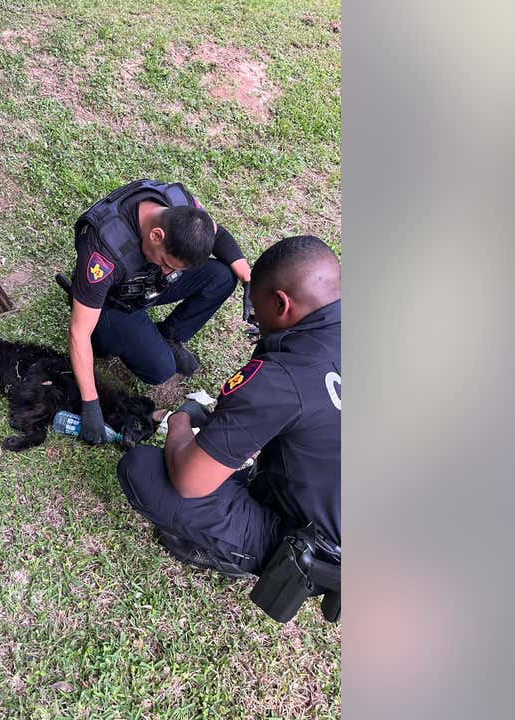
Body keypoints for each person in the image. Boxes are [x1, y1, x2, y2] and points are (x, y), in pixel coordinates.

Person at [115, 235, 341, 584]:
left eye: (255, 309)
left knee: (142, 468)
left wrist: (178, 422)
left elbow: (189, 481)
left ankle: (247, 557)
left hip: (319, 549)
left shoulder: (281, 378)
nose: (254, 321)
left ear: (281, 304)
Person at [65, 179, 252, 445]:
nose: (170, 273)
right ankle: (114, 337)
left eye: (175, 269)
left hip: (144, 285)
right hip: (112, 301)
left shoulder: (182, 209)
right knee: (161, 369)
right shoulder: (104, 252)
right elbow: (78, 333)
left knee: (223, 276)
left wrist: (248, 279)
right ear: (156, 235)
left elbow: (217, 234)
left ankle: (169, 335)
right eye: (166, 263)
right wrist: (90, 404)